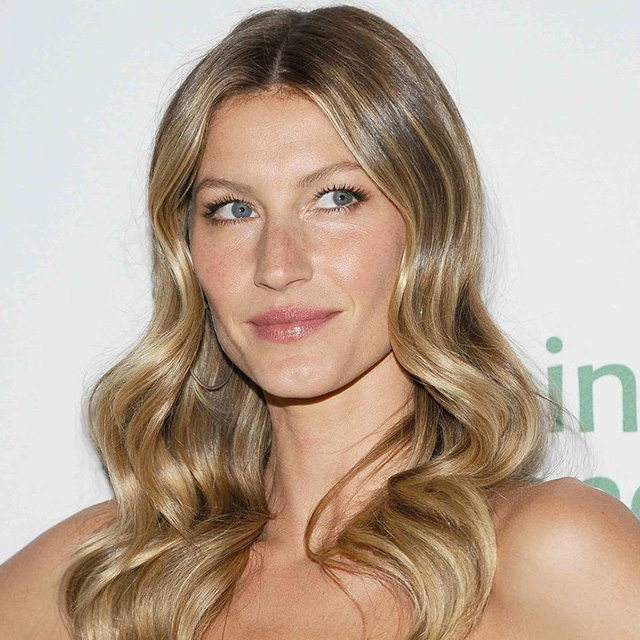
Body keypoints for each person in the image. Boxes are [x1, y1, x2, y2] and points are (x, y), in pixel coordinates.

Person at [1, 4, 639, 640]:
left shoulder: (551, 555)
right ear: (186, 250)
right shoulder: (111, 578)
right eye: (233, 209)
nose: (278, 265)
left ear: (429, 227)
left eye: (335, 199)